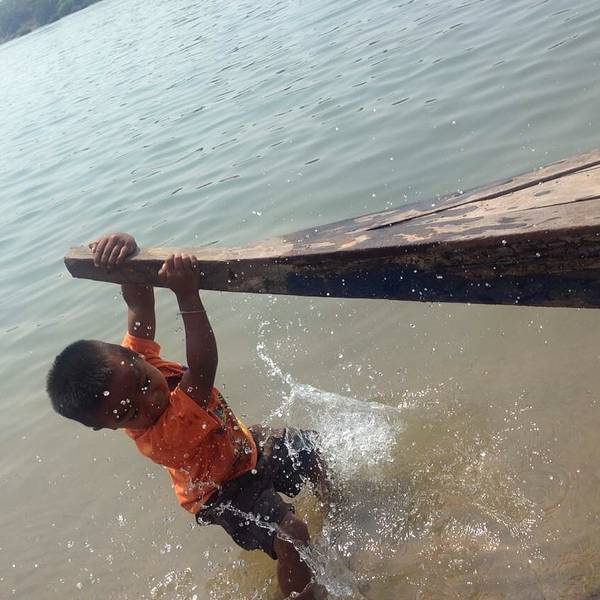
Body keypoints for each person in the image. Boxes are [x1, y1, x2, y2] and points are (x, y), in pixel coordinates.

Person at [46, 232, 328, 600]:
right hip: (223, 491)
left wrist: (123, 252)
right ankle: (303, 595)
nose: (150, 400)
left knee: (316, 452)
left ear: (132, 356)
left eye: (143, 383)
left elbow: (139, 306)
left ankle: (338, 519)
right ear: (107, 425)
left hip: (240, 445)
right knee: (291, 535)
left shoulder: (128, 364)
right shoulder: (165, 435)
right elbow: (203, 369)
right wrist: (187, 296)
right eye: (130, 412)